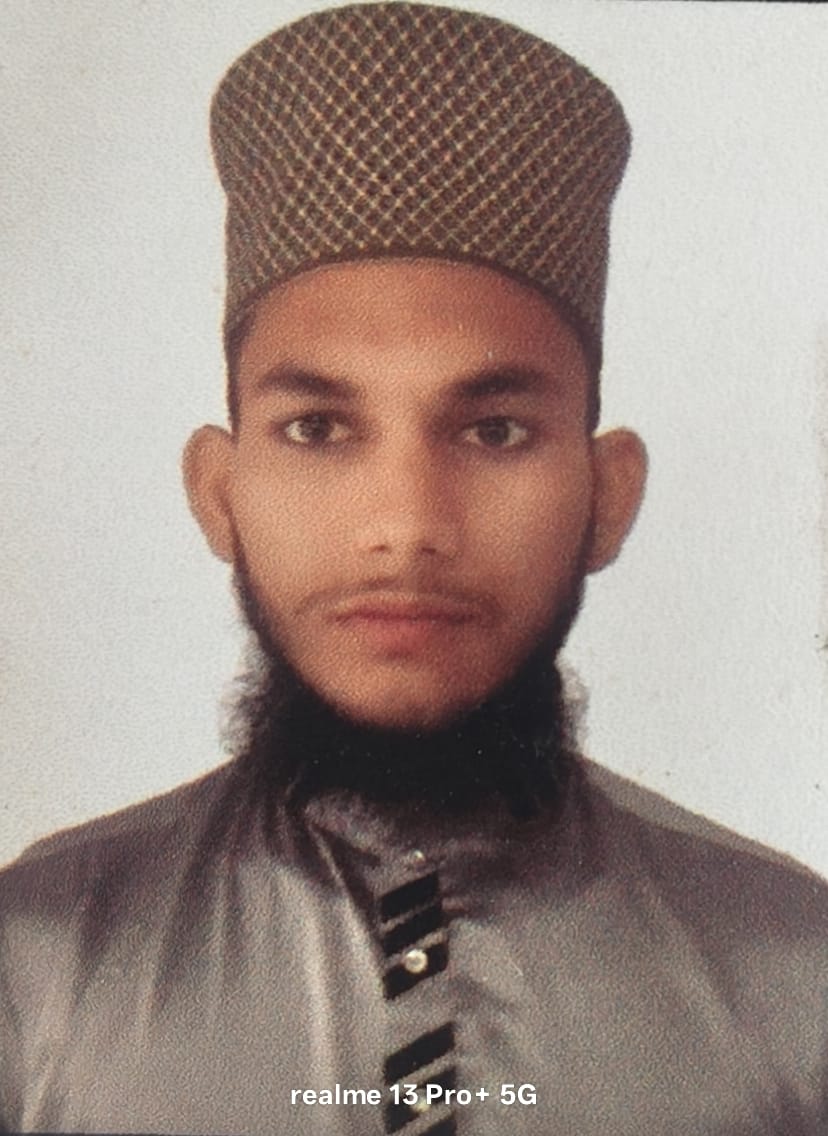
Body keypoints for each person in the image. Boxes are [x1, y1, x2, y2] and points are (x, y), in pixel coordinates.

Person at [1, 4, 826, 1134]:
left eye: (493, 431)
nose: (405, 525)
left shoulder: (794, 972)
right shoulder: (39, 962)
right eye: (317, 429)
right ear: (219, 492)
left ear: (608, 495)